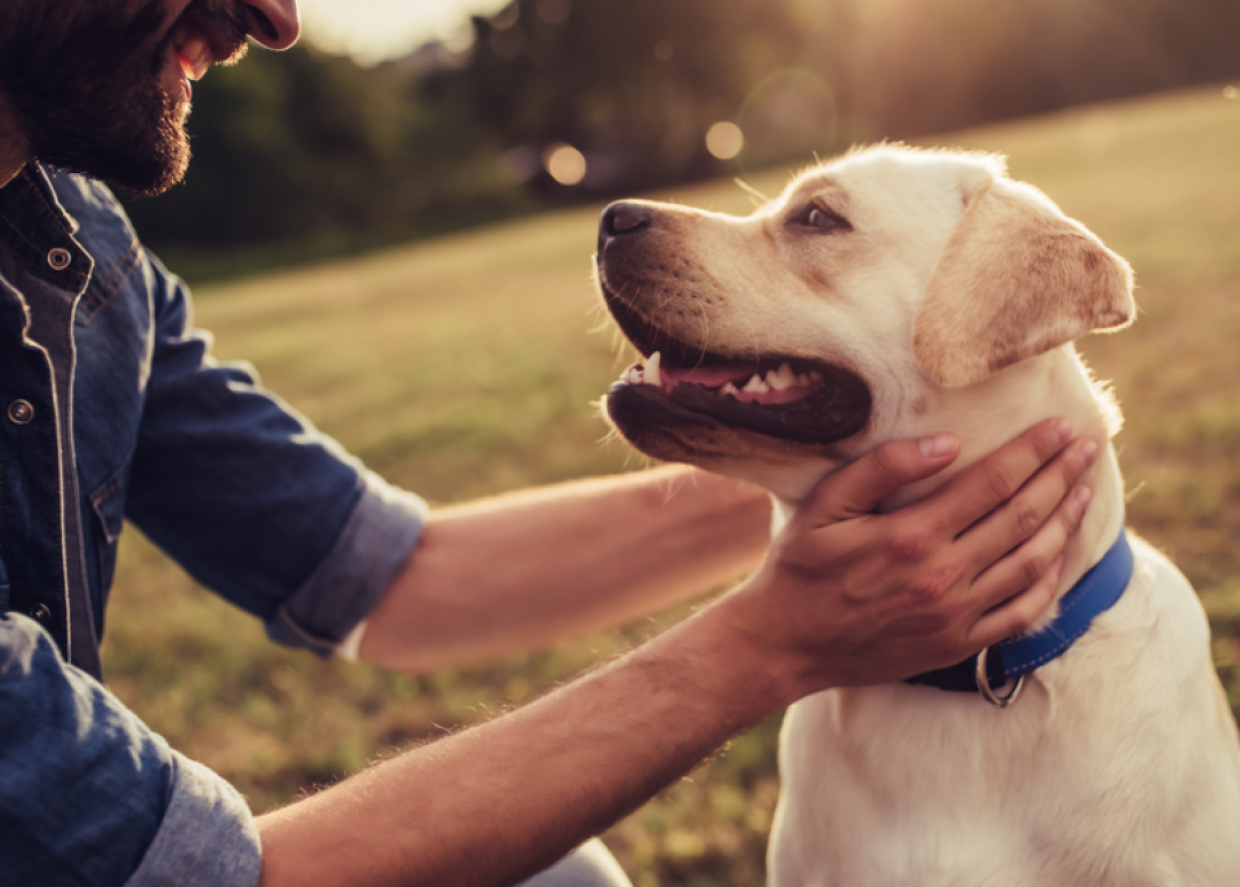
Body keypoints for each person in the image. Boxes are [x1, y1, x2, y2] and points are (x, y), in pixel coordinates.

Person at [0, 2, 1099, 886]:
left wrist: (901, 461)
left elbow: (395, 575)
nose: (277, 17)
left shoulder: (79, 254)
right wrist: (768, 644)